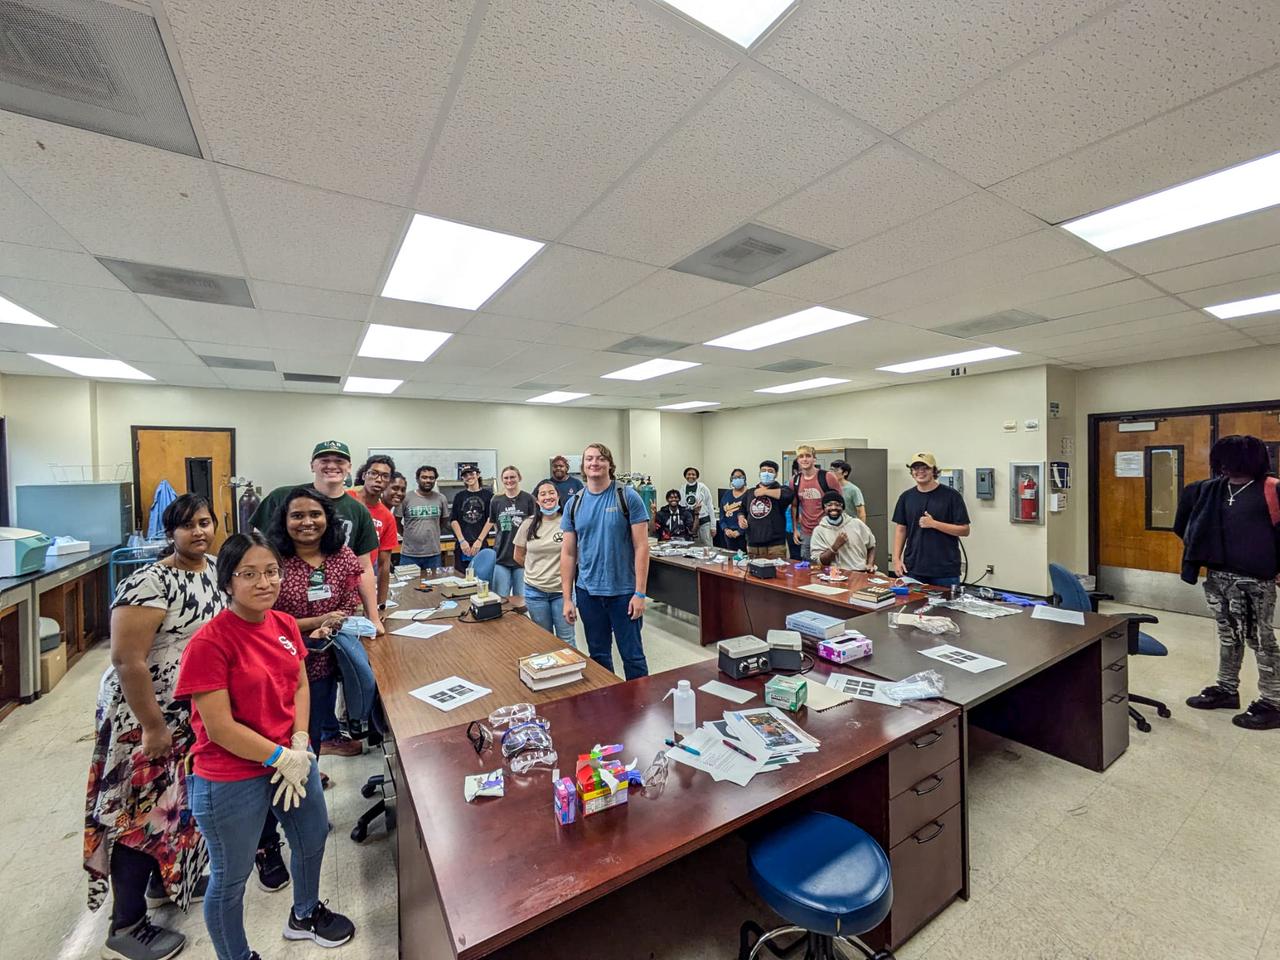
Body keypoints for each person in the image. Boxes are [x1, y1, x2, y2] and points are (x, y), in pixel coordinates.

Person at [176, 533, 355, 960]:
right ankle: (236, 955)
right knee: (231, 877)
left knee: (312, 838)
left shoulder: (285, 624)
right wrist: (279, 757)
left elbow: (298, 684)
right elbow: (218, 728)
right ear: (228, 582)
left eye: (272, 572)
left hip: (291, 758)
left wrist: (298, 742)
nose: (264, 583)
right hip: (231, 773)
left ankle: (305, 914)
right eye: (249, 574)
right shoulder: (210, 642)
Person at [84, 494, 222, 960]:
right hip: (148, 717)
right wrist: (152, 726)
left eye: (205, 522)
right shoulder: (148, 582)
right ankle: (126, 927)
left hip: (192, 713)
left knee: (176, 810)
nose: (198, 532)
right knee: (141, 818)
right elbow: (128, 660)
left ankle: (165, 883)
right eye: (187, 526)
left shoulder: (215, 569)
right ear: (171, 533)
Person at [1176, 435, 1280, 730]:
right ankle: (1226, 689)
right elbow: (1186, 523)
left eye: (1230, 459)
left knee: (1260, 640)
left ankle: (1273, 702)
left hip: (1254, 581)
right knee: (1227, 636)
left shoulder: (1271, 489)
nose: (1224, 465)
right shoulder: (1209, 490)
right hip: (1219, 577)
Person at [250, 440, 382, 636]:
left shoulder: (358, 511)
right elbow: (255, 550)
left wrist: (373, 618)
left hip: (332, 620)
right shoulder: (282, 497)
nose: (332, 465)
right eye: (324, 460)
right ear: (312, 465)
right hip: (280, 621)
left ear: (349, 467)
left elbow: (364, 568)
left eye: (339, 460)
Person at [561, 443, 651, 680]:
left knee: (632, 656)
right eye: (589, 459)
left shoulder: (627, 497)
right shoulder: (574, 504)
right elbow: (568, 554)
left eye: (600, 458)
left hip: (623, 593)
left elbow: (642, 547)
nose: (594, 463)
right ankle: (609, 708)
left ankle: (641, 709)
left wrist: (640, 593)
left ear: (609, 464)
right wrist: (568, 598)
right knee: (598, 656)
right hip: (588, 593)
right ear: (583, 465)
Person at [891, 452, 970, 586]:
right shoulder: (906, 497)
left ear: (934, 471)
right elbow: (901, 529)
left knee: (946, 606)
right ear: (911, 472)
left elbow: (964, 530)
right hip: (914, 567)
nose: (920, 472)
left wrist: (934, 524)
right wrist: (896, 559)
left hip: (944, 569)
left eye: (925, 468)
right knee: (913, 605)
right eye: (916, 468)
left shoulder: (951, 496)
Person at [514, 480, 576, 647]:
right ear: (537, 500)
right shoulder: (528, 524)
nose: (548, 497)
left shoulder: (569, 522)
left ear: (558, 496)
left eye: (551, 493)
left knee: (567, 640)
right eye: (543, 494)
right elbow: (518, 555)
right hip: (535, 592)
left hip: (562, 592)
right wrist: (536, 571)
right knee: (543, 641)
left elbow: (576, 555)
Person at [482, 466, 536, 612]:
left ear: (519, 478)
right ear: (502, 480)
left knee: (522, 601)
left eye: (512, 477)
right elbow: (493, 522)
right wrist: (480, 539)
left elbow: (535, 524)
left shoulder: (528, 499)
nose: (509, 480)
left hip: (522, 559)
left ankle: (522, 630)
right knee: (501, 599)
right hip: (502, 557)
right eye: (506, 478)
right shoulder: (496, 500)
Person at [349, 455, 399, 608]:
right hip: (334, 584)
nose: (379, 479)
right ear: (364, 475)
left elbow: (384, 565)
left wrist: (381, 604)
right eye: (374, 473)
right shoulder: (346, 499)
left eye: (385, 476)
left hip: (362, 587)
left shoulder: (387, 517)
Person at [791, 446, 843, 560]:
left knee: (830, 566)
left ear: (814, 459)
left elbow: (840, 503)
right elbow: (794, 506)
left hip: (828, 530)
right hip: (807, 533)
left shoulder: (827, 477)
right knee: (808, 570)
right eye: (801, 456)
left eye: (808, 456)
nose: (804, 459)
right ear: (797, 460)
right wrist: (795, 529)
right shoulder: (795, 480)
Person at [810, 490, 877, 572]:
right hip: (835, 575)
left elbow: (871, 546)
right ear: (824, 508)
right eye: (829, 505)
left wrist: (870, 564)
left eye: (837, 505)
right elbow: (820, 562)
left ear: (843, 507)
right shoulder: (819, 531)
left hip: (861, 572)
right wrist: (835, 547)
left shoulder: (857, 524)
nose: (833, 508)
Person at [400, 465, 450, 571]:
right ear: (417, 479)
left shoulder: (441, 498)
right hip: (410, 554)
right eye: (424, 477)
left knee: (434, 585)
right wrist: (407, 535)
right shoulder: (406, 498)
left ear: (435, 480)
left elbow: (444, 521)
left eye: (431, 478)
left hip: (433, 554)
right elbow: (396, 520)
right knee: (408, 586)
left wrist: (433, 532)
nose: (428, 480)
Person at [745, 460, 794, 559]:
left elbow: (789, 495)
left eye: (770, 471)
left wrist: (765, 492)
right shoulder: (750, 492)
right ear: (759, 473)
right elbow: (742, 510)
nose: (766, 473)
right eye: (763, 470)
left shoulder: (782, 489)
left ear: (776, 474)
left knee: (777, 573)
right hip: (753, 544)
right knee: (753, 573)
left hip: (775, 545)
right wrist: (741, 518)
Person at [449, 465, 493, 573]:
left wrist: (479, 540)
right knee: (461, 576)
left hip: (480, 543)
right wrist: (462, 541)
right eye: (465, 475)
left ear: (477, 475)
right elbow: (454, 520)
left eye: (471, 474)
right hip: (463, 545)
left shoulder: (489, 495)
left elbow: (490, 518)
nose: (469, 477)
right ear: (463, 479)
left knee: (481, 576)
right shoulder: (459, 496)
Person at [681, 467, 715, 547]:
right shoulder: (682, 488)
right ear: (685, 476)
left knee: (707, 545)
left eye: (693, 474)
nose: (691, 476)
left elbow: (710, 505)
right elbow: (682, 506)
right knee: (694, 546)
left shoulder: (703, 487)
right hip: (691, 523)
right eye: (689, 474)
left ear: (697, 476)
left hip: (704, 521)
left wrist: (713, 526)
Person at [719, 467, 749, 551]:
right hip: (728, 534)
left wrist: (740, 532)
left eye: (740, 477)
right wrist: (726, 529)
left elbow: (751, 517)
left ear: (744, 479)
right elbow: (722, 515)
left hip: (744, 535)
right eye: (735, 477)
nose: (737, 479)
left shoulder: (749, 494)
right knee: (730, 559)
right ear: (731, 479)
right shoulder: (726, 494)